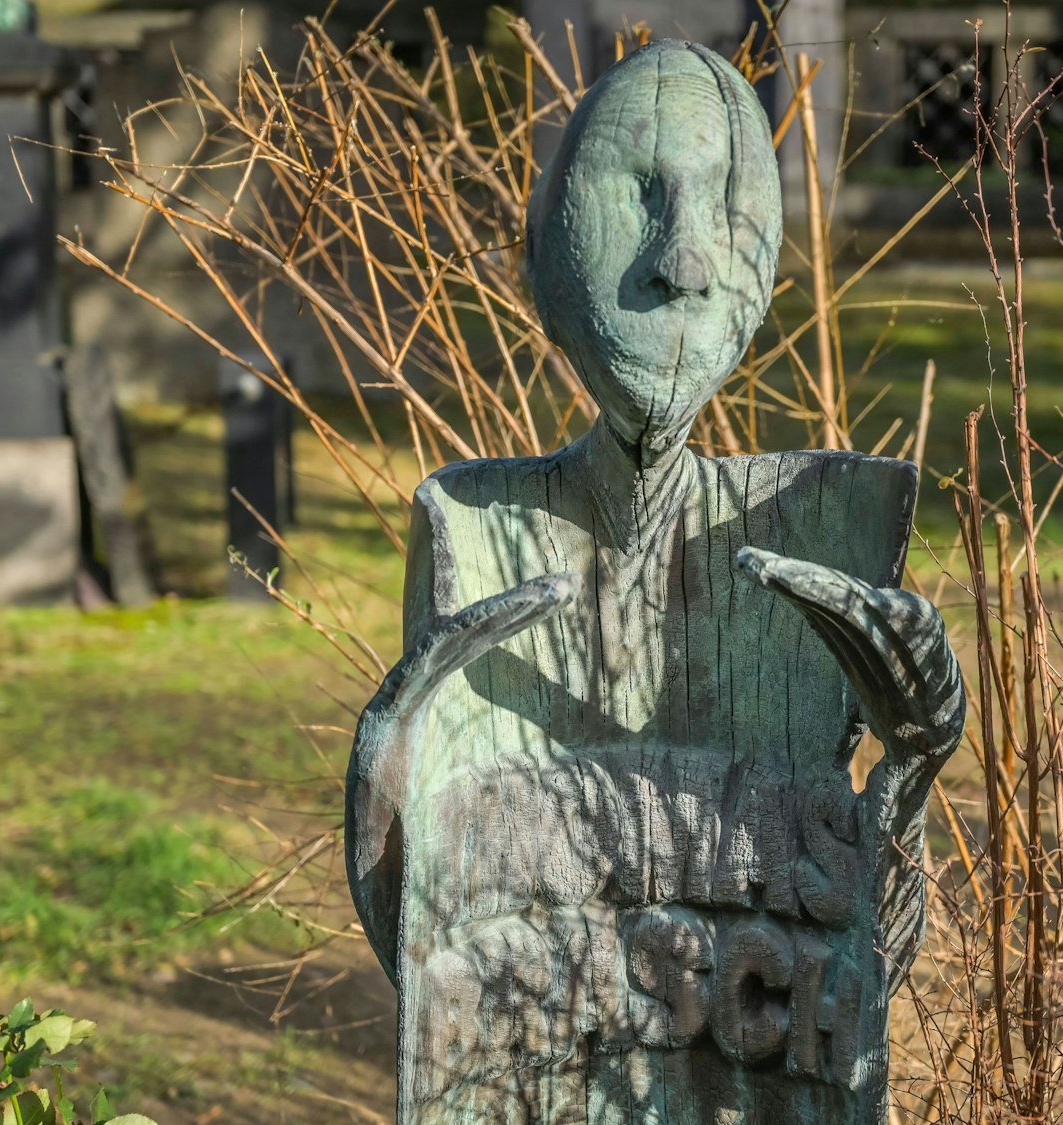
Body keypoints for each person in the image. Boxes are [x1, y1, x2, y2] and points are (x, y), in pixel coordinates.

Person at [346, 39, 964, 1123]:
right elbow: (432, 967)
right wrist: (388, 768)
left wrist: (912, 760)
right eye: (636, 194)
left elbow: (850, 985)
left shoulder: (822, 529)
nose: (681, 261)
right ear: (544, 252)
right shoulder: (473, 526)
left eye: (723, 203)